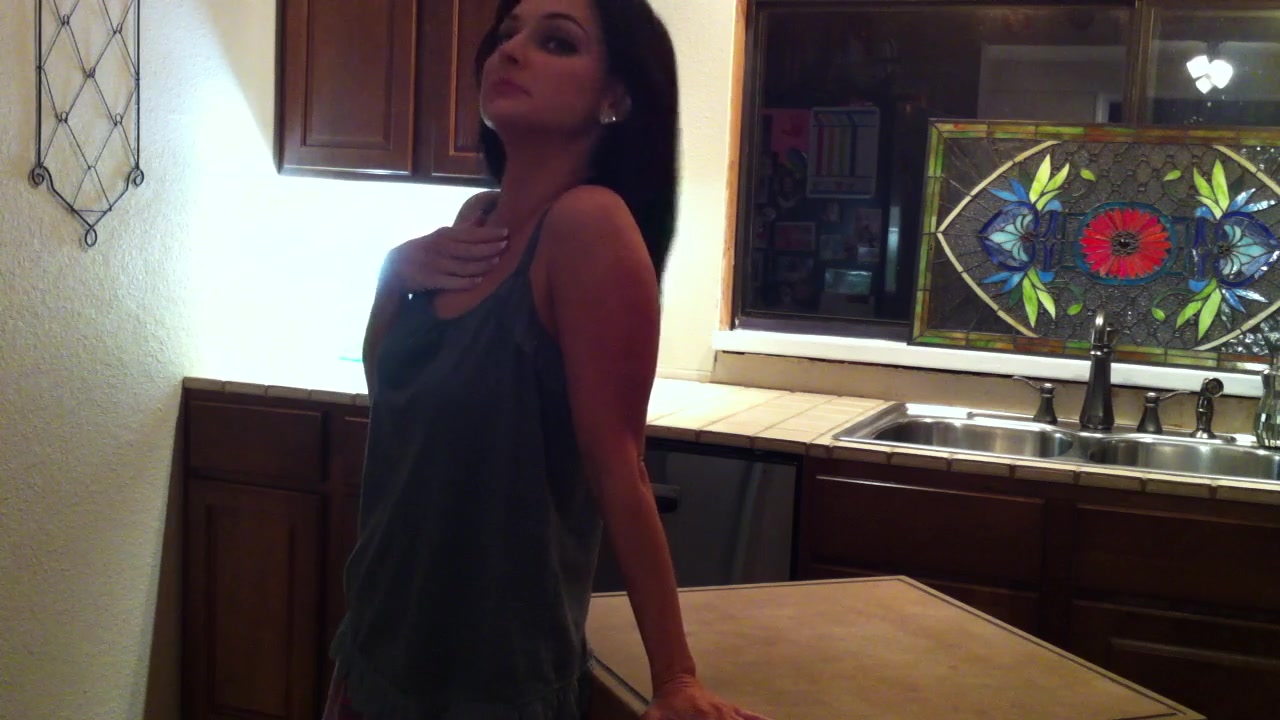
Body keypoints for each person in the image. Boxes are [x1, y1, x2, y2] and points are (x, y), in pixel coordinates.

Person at [323, 1, 771, 719]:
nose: (511, 50)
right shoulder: (474, 222)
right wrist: (391, 277)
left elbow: (620, 468)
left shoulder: (587, 227)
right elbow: (397, 406)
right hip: (373, 655)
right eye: (507, 34)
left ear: (614, 97)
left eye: (556, 41)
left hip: (489, 688)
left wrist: (675, 678)